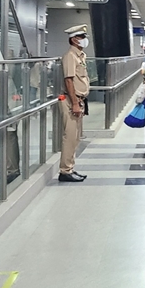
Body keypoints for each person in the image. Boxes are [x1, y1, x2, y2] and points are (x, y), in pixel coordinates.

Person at [59, 24, 90, 182]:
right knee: (70, 137)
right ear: (74, 40)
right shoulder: (70, 56)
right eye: (82, 37)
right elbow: (69, 81)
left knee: (76, 137)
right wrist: (75, 103)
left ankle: (70, 167)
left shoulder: (81, 56)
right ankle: (65, 171)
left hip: (79, 100)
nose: (85, 40)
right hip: (72, 101)